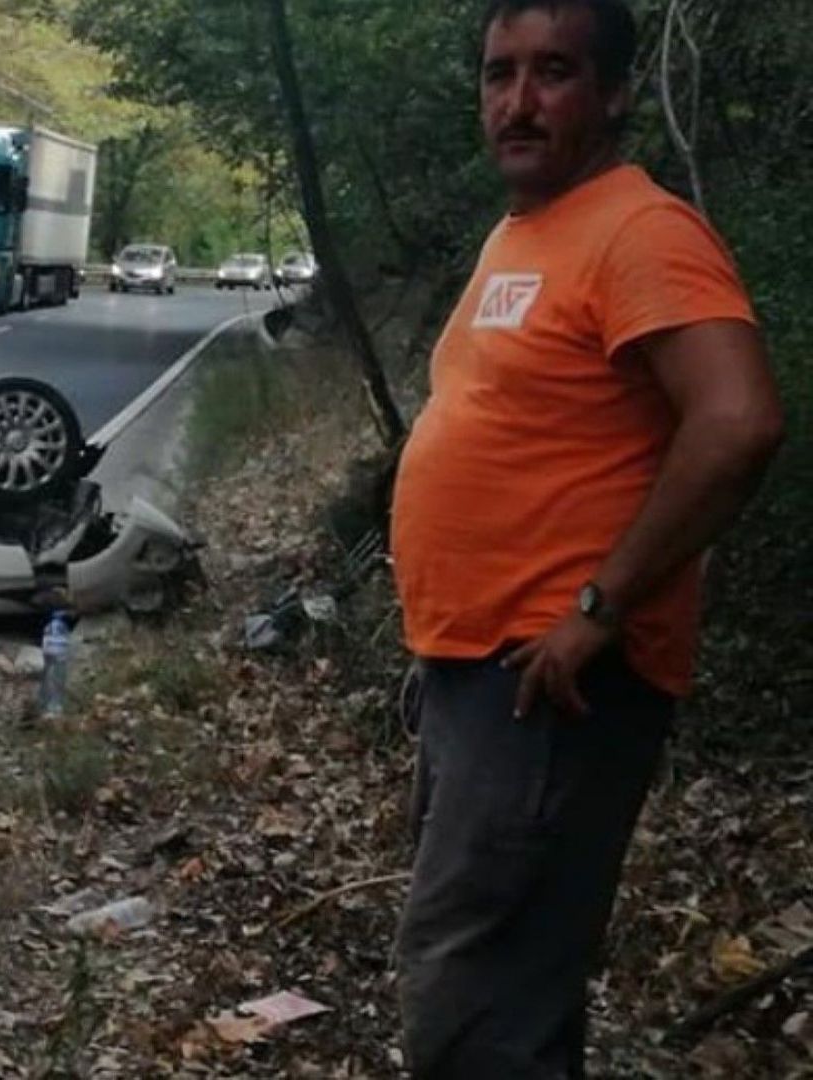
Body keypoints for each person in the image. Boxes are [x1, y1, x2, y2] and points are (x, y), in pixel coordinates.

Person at [388, 0, 786, 1075]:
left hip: (551, 688)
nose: (518, 101)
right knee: (498, 989)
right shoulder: (530, 229)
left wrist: (597, 610)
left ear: (613, 93)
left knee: (479, 1007)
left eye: (554, 72)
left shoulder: (640, 230)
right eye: (498, 73)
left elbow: (740, 420)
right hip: (483, 672)